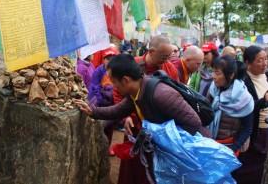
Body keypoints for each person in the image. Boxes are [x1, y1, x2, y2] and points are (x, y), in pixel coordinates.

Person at [76, 54, 203, 184]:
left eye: (114, 82)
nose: (114, 87)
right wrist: (92, 111)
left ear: (125, 80)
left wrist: (162, 138)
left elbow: (193, 123)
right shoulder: (137, 90)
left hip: (173, 153)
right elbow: (119, 109)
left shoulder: (161, 94)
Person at [233, 46, 268, 184]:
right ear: (248, 63)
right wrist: (263, 101)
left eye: (266, 59)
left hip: (267, 129)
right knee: (249, 168)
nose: (265, 63)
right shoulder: (243, 81)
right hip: (254, 131)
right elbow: (242, 107)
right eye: (260, 60)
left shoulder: (267, 75)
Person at [207, 55, 254, 157]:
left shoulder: (244, 98)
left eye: (217, 73)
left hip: (228, 148)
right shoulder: (212, 89)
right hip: (209, 144)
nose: (213, 76)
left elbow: (248, 128)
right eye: (213, 71)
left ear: (231, 75)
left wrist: (232, 150)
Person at [88, 47, 120, 156]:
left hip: (112, 102)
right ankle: (95, 150)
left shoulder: (119, 72)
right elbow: (94, 87)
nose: (110, 61)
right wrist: (100, 100)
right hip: (101, 102)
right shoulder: (98, 71)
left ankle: (106, 148)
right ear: (104, 59)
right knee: (99, 126)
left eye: (113, 58)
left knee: (109, 128)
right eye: (108, 58)